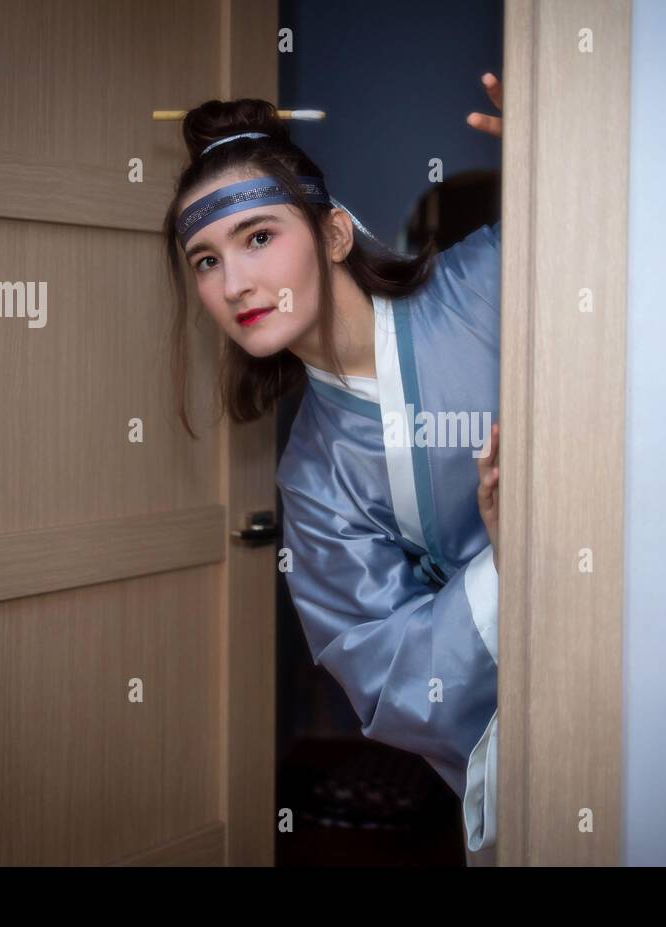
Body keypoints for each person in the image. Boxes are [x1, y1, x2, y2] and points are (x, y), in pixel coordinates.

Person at [162, 76, 504, 865]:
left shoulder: (485, 285)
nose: (233, 283)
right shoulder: (311, 479)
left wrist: (572, 157)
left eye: (257, 237)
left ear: (336, 234)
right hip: (528, 722)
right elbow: (389, 679)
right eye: (205, 260)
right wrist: (505, 560)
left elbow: (622, 255)